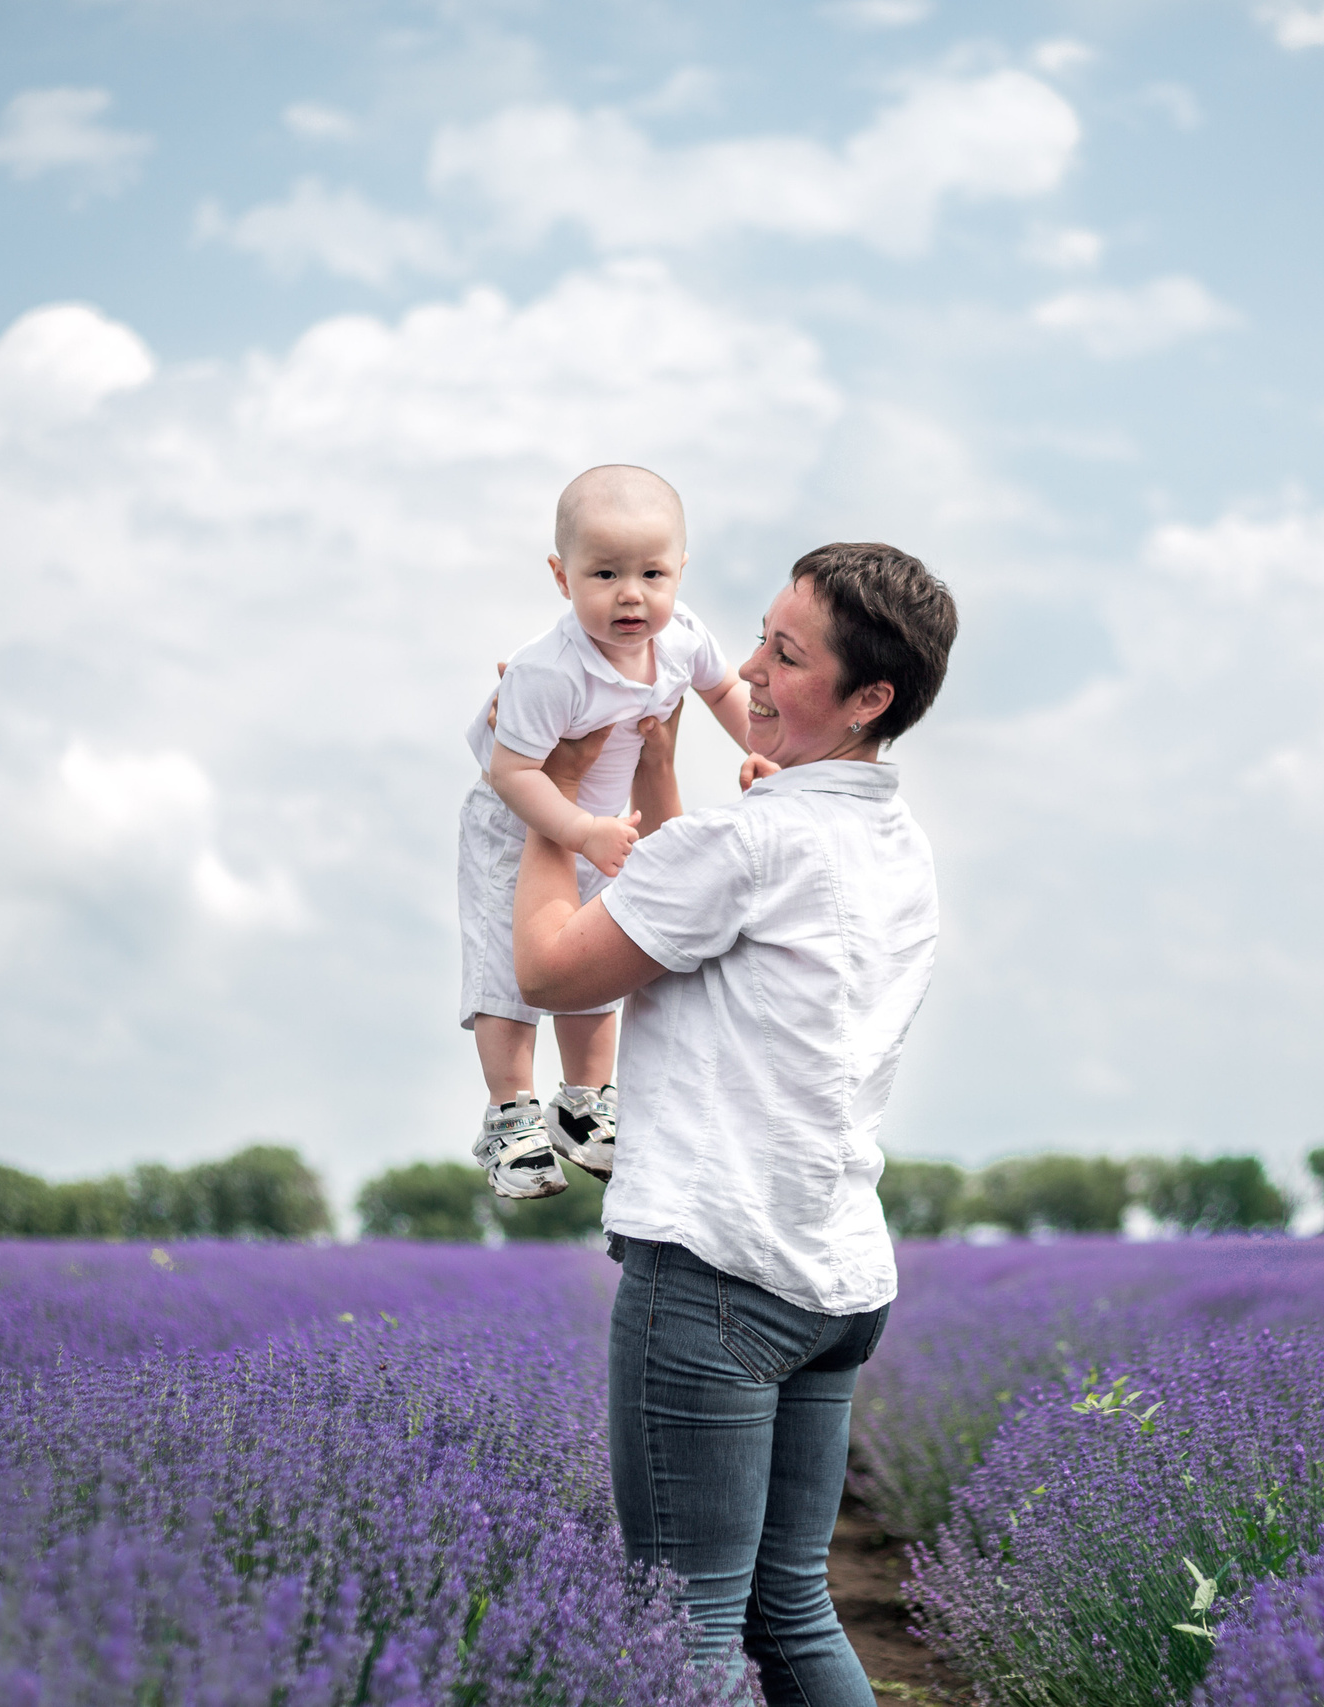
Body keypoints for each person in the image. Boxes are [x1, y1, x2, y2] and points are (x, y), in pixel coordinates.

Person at [513, 542, 958, 1703]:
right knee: (789, 1609)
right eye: (760, 636)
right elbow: (692, 901)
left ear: (869, 699)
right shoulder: (896, 846)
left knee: (687, 1631)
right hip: (832, 1278)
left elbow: (550, 970)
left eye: (786, 655)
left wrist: (544, 801)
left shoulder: (751, 844)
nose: (747, 669)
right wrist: (659, 766)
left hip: (715, 1275)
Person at [458, 465, 749, 1200]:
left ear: (681, 569)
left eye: (652, 573)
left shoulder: (682, 638)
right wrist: (579, 828)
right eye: (605, 573)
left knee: (591, 948)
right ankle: (510, 1111)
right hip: (518, 821)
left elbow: (724, 690)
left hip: (602, 821)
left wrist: (763, 750)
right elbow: (513, 772)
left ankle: (585, 1100)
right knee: (507, 965)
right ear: (562, 577)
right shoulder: (550, 670)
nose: (631, 594)